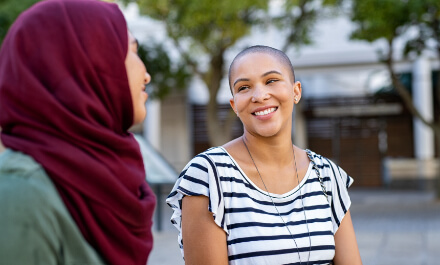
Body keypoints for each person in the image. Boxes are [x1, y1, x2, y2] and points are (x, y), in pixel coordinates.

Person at [167, 45, 362, 265]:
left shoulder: (326, 174)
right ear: (234, 105)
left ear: (296, 91)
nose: (259, 96)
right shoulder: (208, 176)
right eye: (244, 87)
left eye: (271, 81)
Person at [0, 0, 156, 265]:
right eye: (131, 50)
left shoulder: (116, 175)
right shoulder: (19, 193)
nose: (147, 75)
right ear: (90, 61)